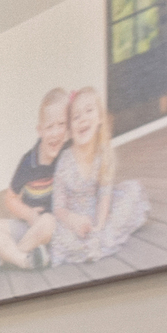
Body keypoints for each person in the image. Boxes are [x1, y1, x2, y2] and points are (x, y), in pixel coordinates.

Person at [52, 84, 150, 264]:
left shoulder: (103, 153)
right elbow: (58, 206)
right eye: (75, 117)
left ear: (99, 118)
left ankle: (100, 239)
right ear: (70, 129)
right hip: (74, 220)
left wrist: (99, 225)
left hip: (99, 214)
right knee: (57, 234)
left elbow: (105, 196)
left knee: (132, 190)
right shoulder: (65, 161)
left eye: (89, 111)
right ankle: (95, 243)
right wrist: (73, 220)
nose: (82, 119)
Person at [0, 86, 67, 270]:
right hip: (30, 226)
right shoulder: (28, 162)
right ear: (40, 130)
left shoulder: (67, 153)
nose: (55, 133)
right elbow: (10, 198)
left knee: (47, 221)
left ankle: (6, 257)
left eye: (61, 124)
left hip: (53, 226)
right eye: (49, 127)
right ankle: (25, 260)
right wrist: (30, 215)